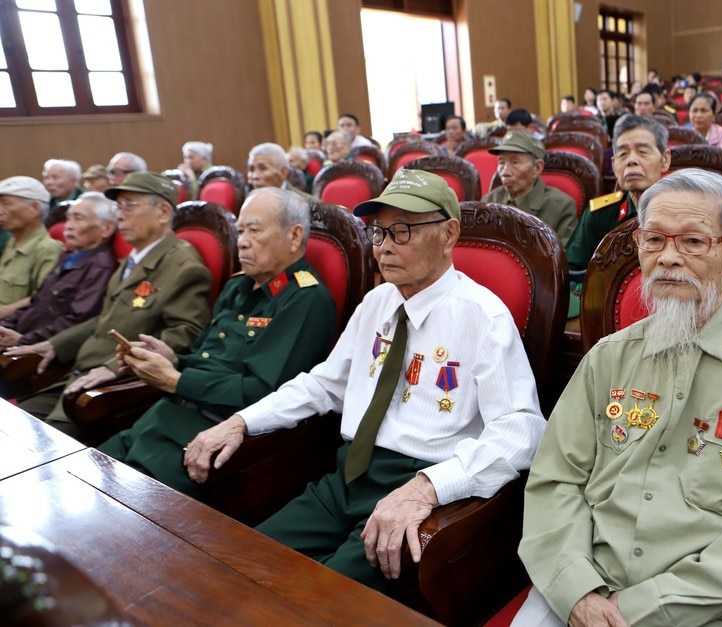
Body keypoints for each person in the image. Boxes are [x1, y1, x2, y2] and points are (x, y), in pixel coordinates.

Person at [179, 168, 546, 592]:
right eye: (379, 233)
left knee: (312, 600)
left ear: (448, 234)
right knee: (235, 566)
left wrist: (429, 488)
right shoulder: (377, 301)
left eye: (402, 231)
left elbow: (522, 430)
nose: (384, 248)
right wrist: (240, 422)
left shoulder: (483, 317)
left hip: (416, 485)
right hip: (347, 477)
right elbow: (325, 385)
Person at [516, 168, 722, 626]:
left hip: (706, 606)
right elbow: (555, 479)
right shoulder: (609, 357)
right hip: (582, 583)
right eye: (654, 240)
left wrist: (644, 606)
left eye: (693, 242)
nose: (668, 258)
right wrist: (577, 588)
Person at [98, 188, 336, 496]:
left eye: (254, 230)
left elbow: (262, 393)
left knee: (119, 507)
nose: (242, 241)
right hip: (165, 415)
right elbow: (208, 360)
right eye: (240, 231)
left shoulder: (305, 299)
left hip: (216, 433)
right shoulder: (239, 287)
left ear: (294, 236)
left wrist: (176, 380)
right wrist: (172, 360)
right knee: (85, 472)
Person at [7, 172, 212, 437]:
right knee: (17, 424)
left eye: (129, 206)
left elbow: (185, 334)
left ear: (162, 212)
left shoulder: (183, 266)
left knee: (43, 447)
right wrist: (54, 345)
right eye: (118, 207)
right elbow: (104, 319)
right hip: (78, 374)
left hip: (115, 386)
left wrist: (113, 368)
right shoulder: (133, 260)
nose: (120, 216)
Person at [0, 192, 118, 349]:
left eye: (79, 219)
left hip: (41, 350)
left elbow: (77, 320)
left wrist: (25, 340)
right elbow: (37, 303)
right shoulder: (68, 256)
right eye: (68, 218)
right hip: (21, 337)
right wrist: (6, 326)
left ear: (107, 228)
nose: (68, 226)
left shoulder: (100, 267)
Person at [565, 115, 670, 272]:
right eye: (623, 154)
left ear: (665, 160)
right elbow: (573, 272)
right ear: (614, 166)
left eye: (642, 152)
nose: (631, 161)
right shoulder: (600, 213)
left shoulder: (683, 210)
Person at [482, 131, 577, 245]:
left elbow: (563, 257)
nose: (505, 172)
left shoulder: (560, 206)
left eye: (515, 162)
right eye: (501, 162)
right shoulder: (488, 202)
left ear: (537, 168)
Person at [0, 177, 63, 320]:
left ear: (35, 208)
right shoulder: (12, 242)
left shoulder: (48, 248)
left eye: (6, 204)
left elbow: (42, 298)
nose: (0, 211)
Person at [247, 142, 319, 202]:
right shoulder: (248, 202)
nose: (255, 176)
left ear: (283, 172)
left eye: (263, 168)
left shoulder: (309, 204)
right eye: (251, 169)